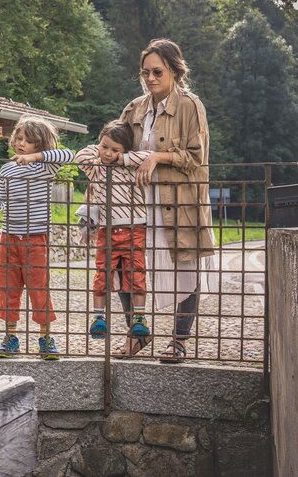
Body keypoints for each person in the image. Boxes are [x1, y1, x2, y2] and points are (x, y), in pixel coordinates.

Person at [117, 38, 216, 363]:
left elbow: (195, 156)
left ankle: (178, 340)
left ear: (174, 70)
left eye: (157, 71)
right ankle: (137, 335)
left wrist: (156, 157)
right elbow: (114, 148)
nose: (150, 78)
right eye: (145, 72)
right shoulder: (134, 108)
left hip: (178, 203)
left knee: (184, 266)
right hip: (136, 203)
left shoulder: (189, 105)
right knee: (127, 267)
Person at [0, 117, 73, 360]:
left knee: (39, 288)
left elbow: (67, 155)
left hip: (36, 238)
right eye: (19, 138)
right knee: (8, 289)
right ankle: (11, 337)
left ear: (40, 145)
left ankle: (45, 337)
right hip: (9, 238)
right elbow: (1, 203)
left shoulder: (45, 167)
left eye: (30, 141)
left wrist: (34, 157)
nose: (22, 144)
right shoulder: (7, 168)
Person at [74, 120, 152, 340]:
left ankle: (139, 318)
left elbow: (149, 156)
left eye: (115, 149)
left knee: (136, 274)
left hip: (134, 228)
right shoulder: (96, 168)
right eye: (104, 146)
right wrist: (99, 149)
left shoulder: (131, 167)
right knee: (102, 273)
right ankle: (99, 318)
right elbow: (80, 156)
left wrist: (123, 158)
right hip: (106, 231)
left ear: (125, 151)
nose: (108, 153)